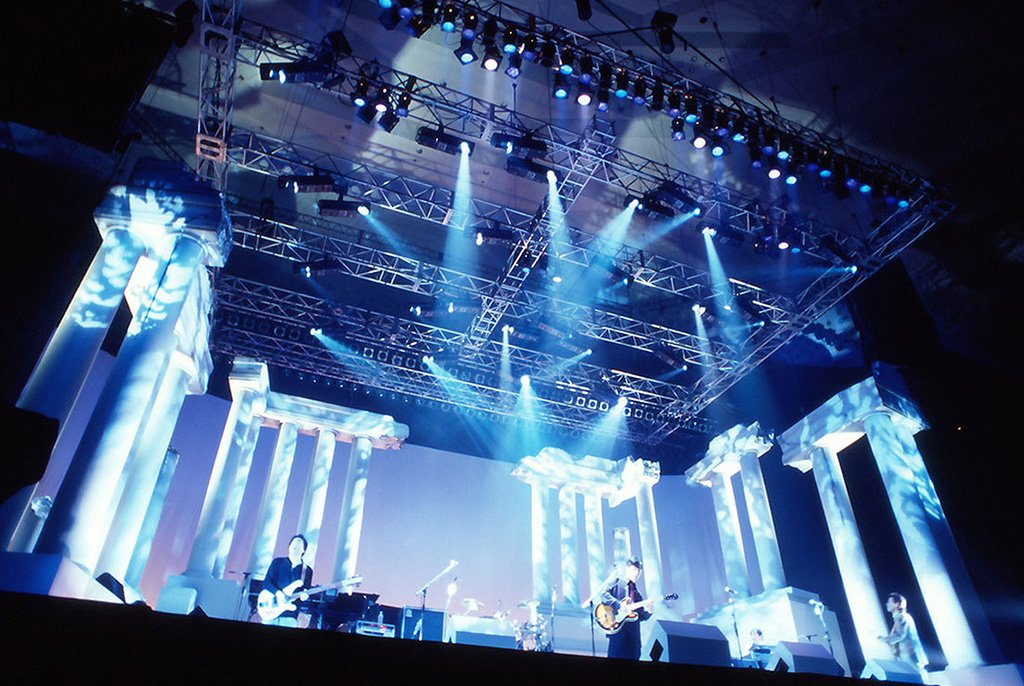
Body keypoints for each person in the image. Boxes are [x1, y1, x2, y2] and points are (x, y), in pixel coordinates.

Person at [600, 558, 652, 660]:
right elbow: (603, 594)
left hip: (633, 638)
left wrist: (649, 612)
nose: (636, 573)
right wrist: (619, 605)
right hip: (618, 633)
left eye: (639, 571)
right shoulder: (617, 582)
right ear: (627, 569)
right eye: (634, 569)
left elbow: (640, 616)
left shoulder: (637, 594)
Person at [262, 534, 314, 627]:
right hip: (270, 610)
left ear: (303, 550)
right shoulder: (277, 562)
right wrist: (278, 593)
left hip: (290, 616)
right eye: (293, 542)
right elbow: (267, 583)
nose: (295, 545)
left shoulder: (307, 570)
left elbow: (305, 590)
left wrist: (304, 597)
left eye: (298, 543)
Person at [879, 592, 927, 674]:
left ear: (897, 604)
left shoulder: (901, 616)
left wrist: (884, 639)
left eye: (889, 602)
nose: (887, 604)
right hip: (912, 656)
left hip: (909, 656)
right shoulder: (903, 616)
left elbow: (900, 635)